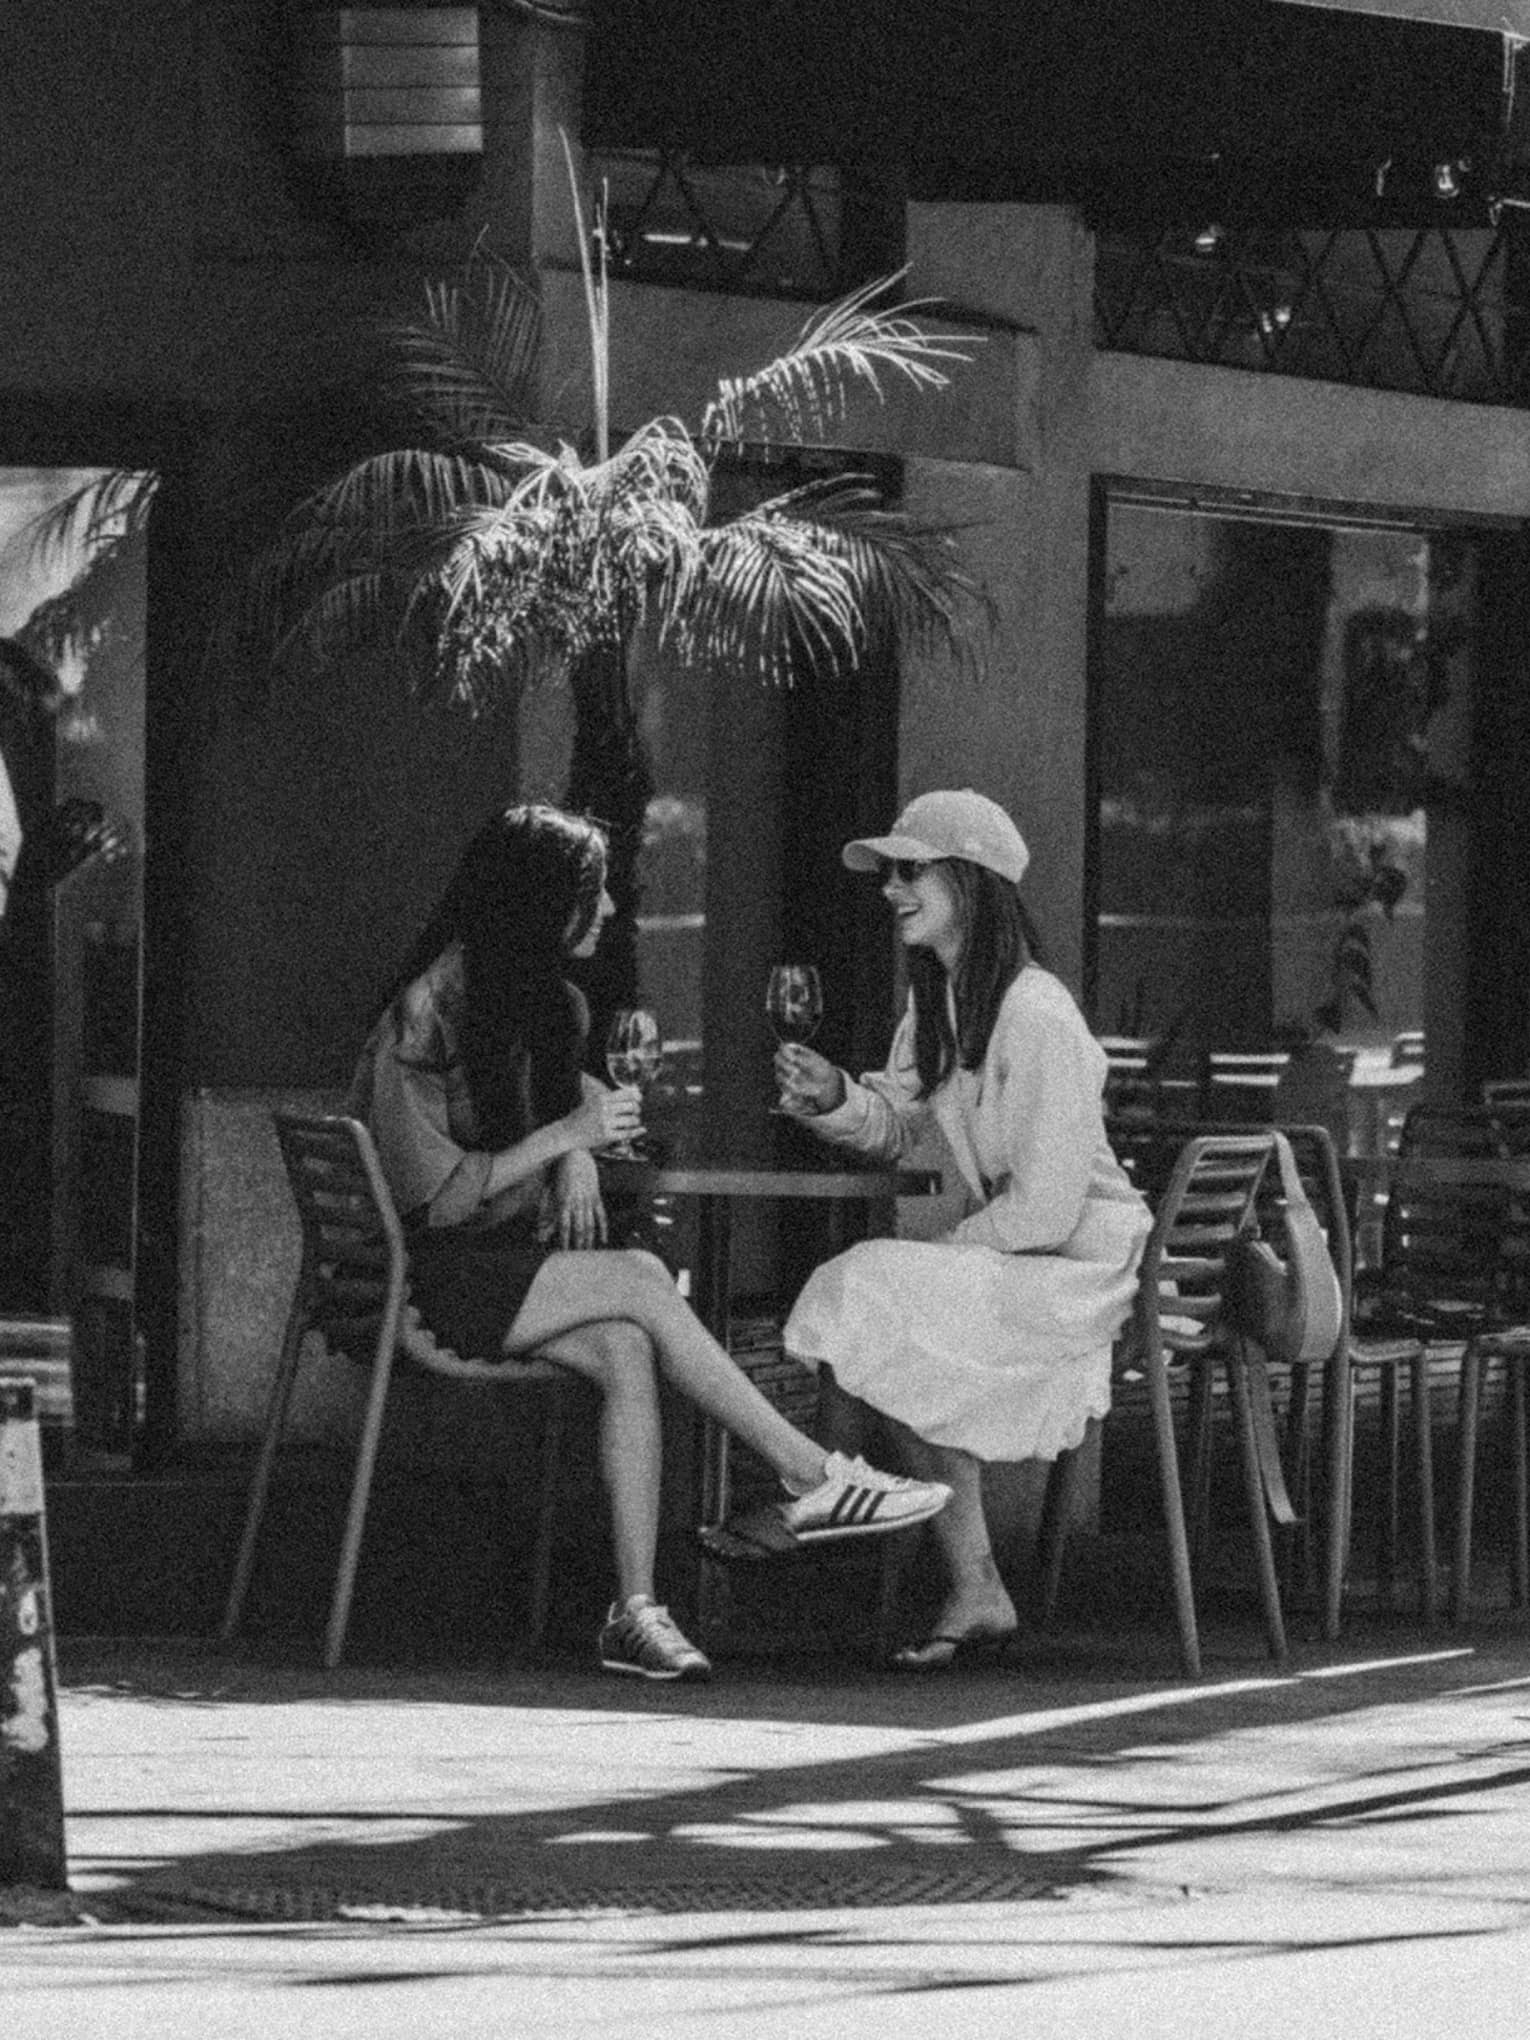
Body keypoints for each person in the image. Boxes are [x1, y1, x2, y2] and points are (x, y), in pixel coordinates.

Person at [347, 801, 952, 1684]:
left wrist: (577, 1141)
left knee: (630, 1343)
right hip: (421, 1281)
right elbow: (432, 1203)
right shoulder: (424, 1013)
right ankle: (808, 1473)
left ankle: (634, 1611)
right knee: (636, 1275)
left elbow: (553, 1086)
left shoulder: (545, 1001)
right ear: (538, 903)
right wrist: (566, 1140)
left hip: (497, 1267)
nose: (609, 916)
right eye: (591, 897)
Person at [758, 788, 1152, 1672]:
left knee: (874, 1288)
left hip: (1081, 1271)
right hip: (1022, 1258)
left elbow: (1048, 1210)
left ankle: (821, 1506)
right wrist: (834, 1097)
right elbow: (898, 1123)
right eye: (890, 873)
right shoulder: (938, 1003)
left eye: (911, 870)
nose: (891, 888)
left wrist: (940, 1256)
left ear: (969, 883)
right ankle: (951, 1573)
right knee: (886, 1308)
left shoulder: (1040, 1015)